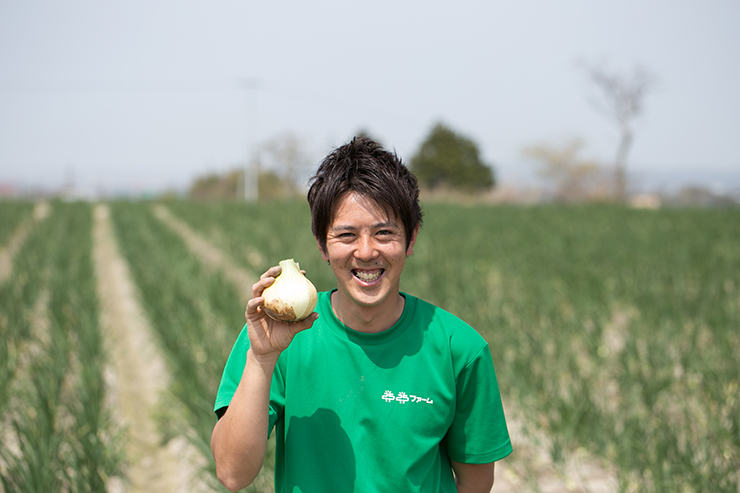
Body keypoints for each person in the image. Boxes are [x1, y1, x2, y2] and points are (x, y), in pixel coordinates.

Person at [211, 137, 512, 492]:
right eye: (347, 235)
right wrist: (261, 360)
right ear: (322, 244)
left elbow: (475, 484)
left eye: (384, 233)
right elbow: (232, 474)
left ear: (411, 238)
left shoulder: (459, 348)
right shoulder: (275, 340)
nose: (366, 252)